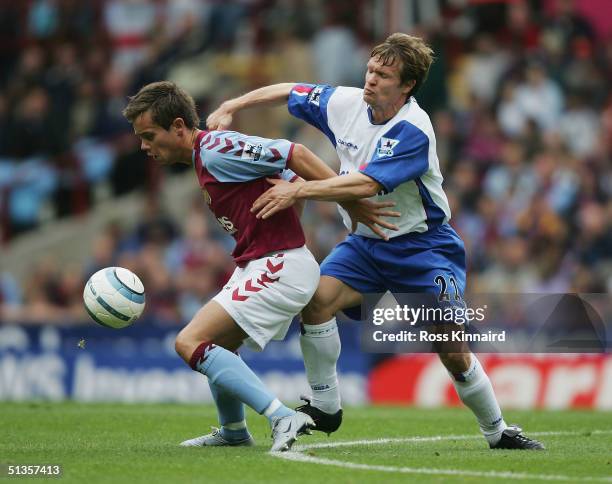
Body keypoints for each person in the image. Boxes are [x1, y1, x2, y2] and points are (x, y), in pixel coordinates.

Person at [207, 33, 545, 450]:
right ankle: (326, 405)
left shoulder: (413, 129)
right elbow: (288, 91)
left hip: (423, 248)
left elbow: (366, 185)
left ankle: (497, 431)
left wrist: (299, 191)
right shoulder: (347, 103)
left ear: (406, 86)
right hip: (365, 244)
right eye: (370, 70)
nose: (370, 80)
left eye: (383, 75)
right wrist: (233, 105)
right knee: (315, 301)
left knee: (451, 348)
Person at [122, 81, 398, 452]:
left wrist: (348, 198)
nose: (143, 146)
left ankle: (281, 416)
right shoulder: (206, 159)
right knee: (220, 343)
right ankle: (234, 431)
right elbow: (289, 178)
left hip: (279, 265)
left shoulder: (216, 149)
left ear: (177, 126)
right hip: (263, 263)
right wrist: (292, 202)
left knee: (189, 342)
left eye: (148, 135)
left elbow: (294, 153)